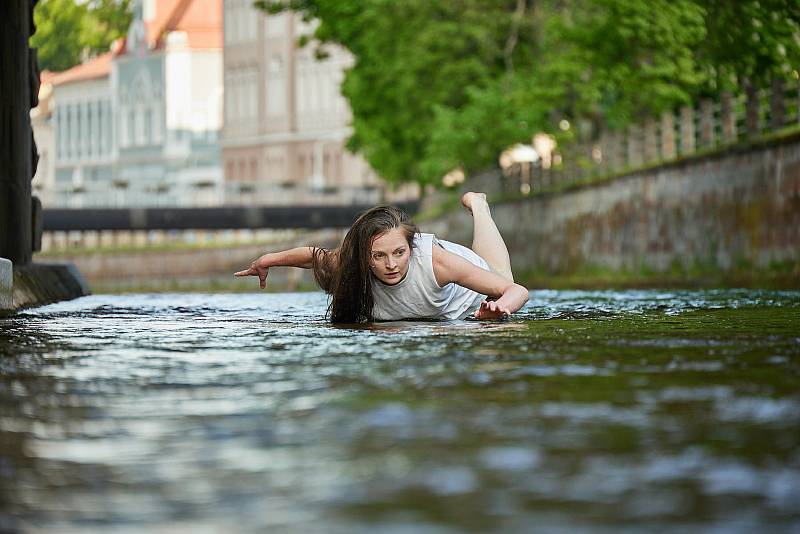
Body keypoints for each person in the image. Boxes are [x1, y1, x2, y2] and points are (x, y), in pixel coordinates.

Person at [234, 192, 529, 323]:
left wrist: (500, 309)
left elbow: (517, 292)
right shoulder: (353, 262)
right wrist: (267, 260)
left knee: (502, 277)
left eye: (399, 253)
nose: (391, 265)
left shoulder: (436, 261)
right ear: (365, 256)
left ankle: (478, 205)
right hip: (433, 314)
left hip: (467, 301)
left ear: (410, 248)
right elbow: (313, 257)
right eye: (379, 256)